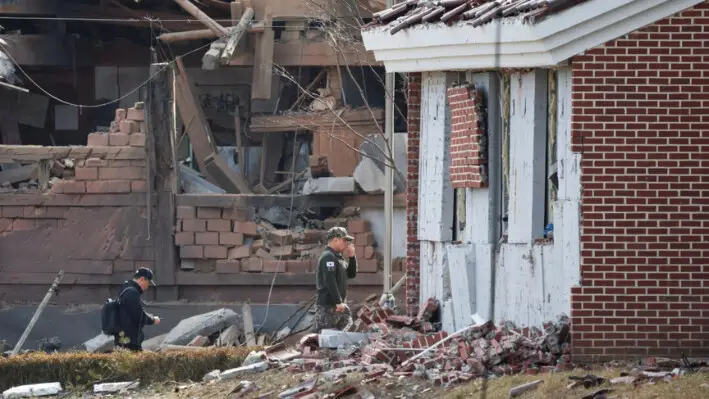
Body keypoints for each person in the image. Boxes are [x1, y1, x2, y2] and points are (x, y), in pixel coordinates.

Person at [314, 226, 358, 332]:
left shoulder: (338, 258)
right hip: (329, 307)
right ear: (335, 239)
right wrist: (338, 302)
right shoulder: (328, 256)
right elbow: (330, 280)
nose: (346, 243)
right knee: (325, 337)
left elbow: (351, 274)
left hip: (340, 306)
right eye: (344, 240)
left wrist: (352, 257)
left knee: (346, 334)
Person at [114, 267, 160, 351]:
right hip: (130, 341)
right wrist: (153, 319)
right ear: (142, 279)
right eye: (148, 282)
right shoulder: (132, 293)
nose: (148, 286)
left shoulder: (126, 289)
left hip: (123, 338)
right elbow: (139, 315)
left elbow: (134, 311)